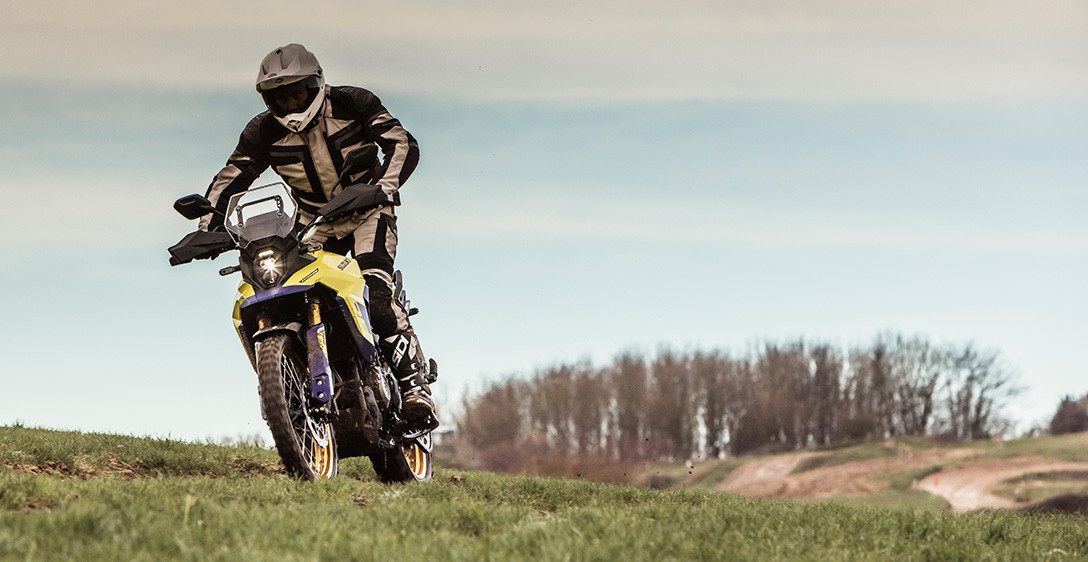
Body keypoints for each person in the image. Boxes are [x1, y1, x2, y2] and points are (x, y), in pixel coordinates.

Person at [198, 43, 436, 429]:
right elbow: (231, 177)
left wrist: (382, 187)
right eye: (279, 97)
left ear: (316, 84)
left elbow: (401, 143)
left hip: (367, 211)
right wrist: (205, 229)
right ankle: (297, 379)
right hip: (313, 224)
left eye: (296, 92)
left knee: (375, 291)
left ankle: (414, 386)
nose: (290, 103)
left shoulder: (353, 103)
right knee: (284, 292)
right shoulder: (263, 131)